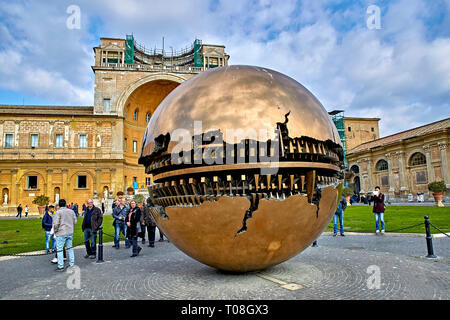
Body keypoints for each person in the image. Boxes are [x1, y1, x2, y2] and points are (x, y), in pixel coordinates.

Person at [52, 199, 77, 271]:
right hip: (69, 232)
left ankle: (60, 265)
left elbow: (56, 224)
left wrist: (55, 231)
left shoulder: (58, 212)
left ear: (59, 205)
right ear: (65, 204)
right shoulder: (71, 211)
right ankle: (72, 264)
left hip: (61, 233)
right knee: (70, 248)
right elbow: (75, 221)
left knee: (59, 250)